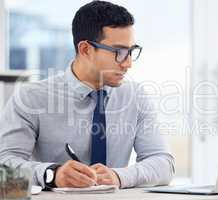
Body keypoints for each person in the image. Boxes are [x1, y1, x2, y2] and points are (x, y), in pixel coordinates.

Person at [0, 1, 174, 189]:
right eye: (120, 52)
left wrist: (118, 176)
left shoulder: (135, 96)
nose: (128, 63)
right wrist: (52, 174)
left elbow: (163, 164)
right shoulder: (31, 98)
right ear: (85, 49)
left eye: (131, 51)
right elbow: (5, 164)